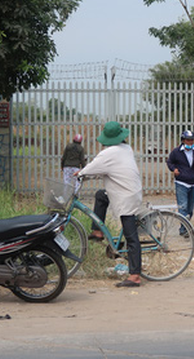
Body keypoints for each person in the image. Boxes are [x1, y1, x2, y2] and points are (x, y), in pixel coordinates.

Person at [77, 121, 143, 288]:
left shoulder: (109, 153)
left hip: (125, 196)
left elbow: (93, 167)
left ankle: (135, 276)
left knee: (131, 236)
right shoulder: (125, 148)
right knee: (101, 195)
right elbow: (106, 169)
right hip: (128, 191)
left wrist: (81, 173)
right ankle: (98, 231)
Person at [167, 130, 194, 236]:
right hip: (181, 183)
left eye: (192, 140)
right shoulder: (176, 152)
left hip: (192, 183)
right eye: (188, 140)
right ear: (183, 140)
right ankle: (184, 230)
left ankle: (185, 227)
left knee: (190, 209)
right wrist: (174, 169)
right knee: (183, 207)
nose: (190, 142)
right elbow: (170, 162)